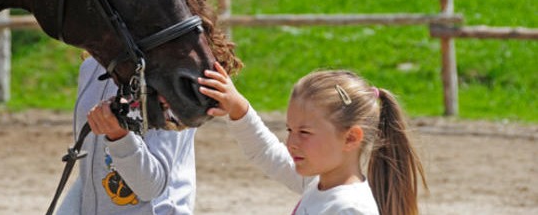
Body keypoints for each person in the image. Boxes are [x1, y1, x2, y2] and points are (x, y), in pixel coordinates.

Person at [198, 63, 427, 215]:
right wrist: (237, 108)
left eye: (304, 133)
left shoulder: (350, 208)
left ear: (350, 138)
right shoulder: (317, 184)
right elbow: (265, 151)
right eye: (289, 130)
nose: (292, 143)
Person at [55, 56, 196, 214]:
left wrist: (119, 137)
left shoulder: (168, 68)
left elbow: (150, 188)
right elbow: (91, 171)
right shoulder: (91, 67)